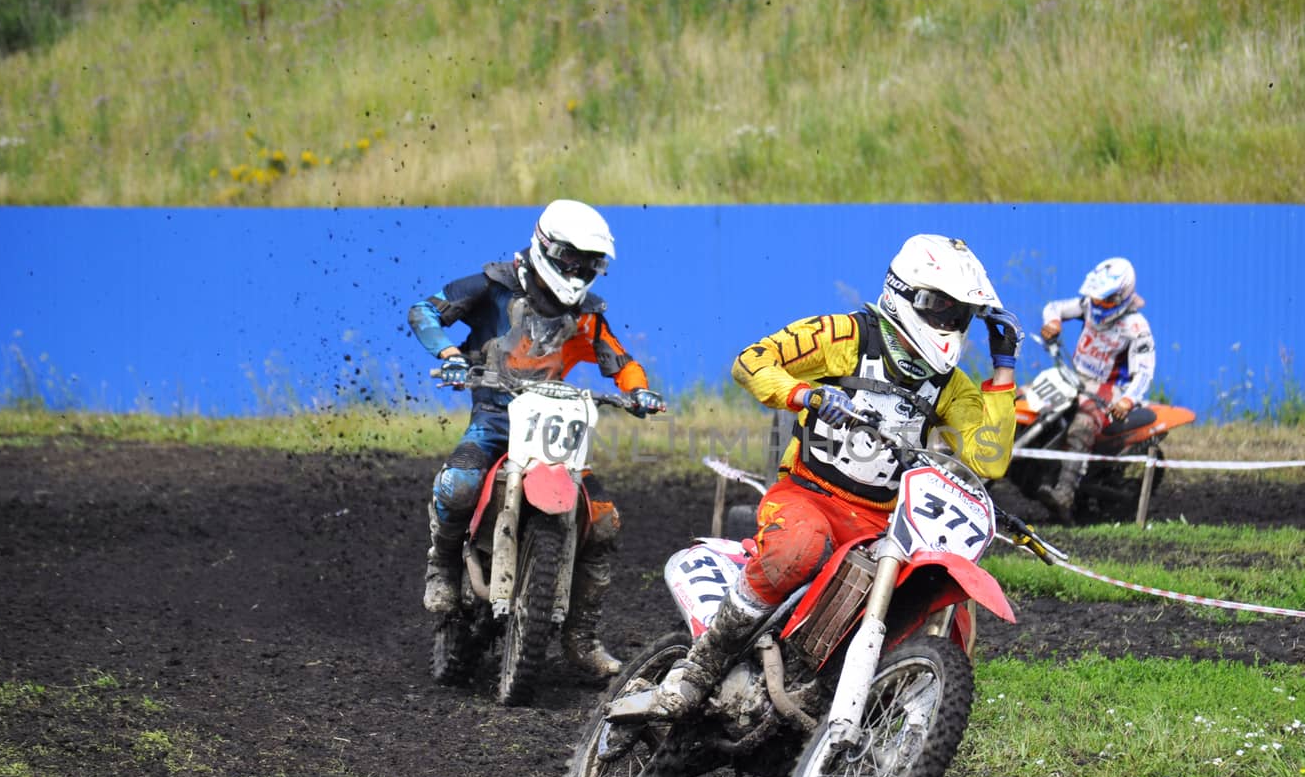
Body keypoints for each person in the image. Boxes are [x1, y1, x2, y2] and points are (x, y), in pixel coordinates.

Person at [608, 233, 1022, 722]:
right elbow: (752, 362)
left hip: (885, 524)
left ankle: (890, 728)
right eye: (941, 309)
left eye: (960, 316)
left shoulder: (952, 387)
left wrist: (1003, 368)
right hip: (809, 494)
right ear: (905, 293)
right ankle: (698, 670)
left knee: (941, 600)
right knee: (798, 548)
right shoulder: (845, 336)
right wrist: (805, 395)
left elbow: (986, 459)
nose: (950, 324)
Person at [407, 199, 664, 678]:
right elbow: (424, 310)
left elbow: (620, 360)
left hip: (551, 425)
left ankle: (581, 635)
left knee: (604, 521)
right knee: (460, 483)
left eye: (593, 263)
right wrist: (449, 353)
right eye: (575, 258)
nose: (583, 270)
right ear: (548, 247)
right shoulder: (493, 286)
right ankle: (442, 564)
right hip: (494, 416)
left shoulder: (586, 312)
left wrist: (640, 391)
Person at [1033, 256, 1156, 524]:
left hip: (1108, 389)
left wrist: (1127, 400)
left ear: (1121, 295)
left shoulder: (1137, 327)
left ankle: (1064, 494)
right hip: (1073, 375)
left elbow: (1145, 371)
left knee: (1082, 424)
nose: (1098, 304)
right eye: (1096, 298)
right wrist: (1052, 322)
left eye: (1105, 299)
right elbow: (1054, 307)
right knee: (1029, 399)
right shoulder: (1088, 305)